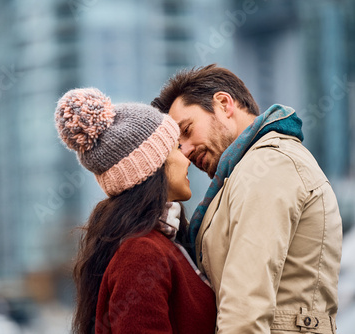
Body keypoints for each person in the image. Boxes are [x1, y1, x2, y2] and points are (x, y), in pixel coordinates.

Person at [151, 64, 343, 333]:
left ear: (224, 104)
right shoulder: (244, 174)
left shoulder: (268, 165)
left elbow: (245, 310)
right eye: (178, 144)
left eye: (187, 129)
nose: (185, 151)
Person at [55, 88, 217, 333]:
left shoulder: (157, 244)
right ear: (153, 167)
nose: (186, 156)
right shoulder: (142, 253)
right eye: (175, 146)